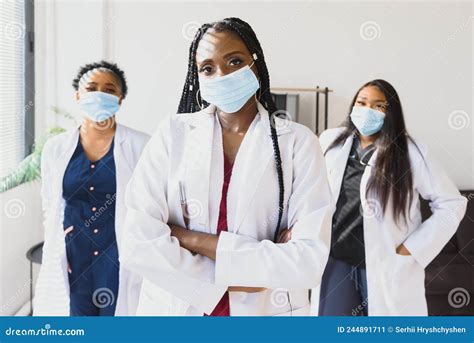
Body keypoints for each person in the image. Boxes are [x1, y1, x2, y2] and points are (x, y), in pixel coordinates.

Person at [118, 18, 333, 316]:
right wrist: (240, 279)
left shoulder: (298, 143)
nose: (222, 74)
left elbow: (307, 262)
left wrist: (186, 237)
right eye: (208, 68)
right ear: (198, 77)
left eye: (234, 61)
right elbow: (138, 242)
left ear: (255, 65)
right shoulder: (172, 134)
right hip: (179, 309)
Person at [316, 79, 467, 316]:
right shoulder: (330, 142)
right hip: (336, 259)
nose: (367, 110)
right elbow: (311, 193)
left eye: (378, 106)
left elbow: (452, 204)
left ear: (390, 112)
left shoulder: (411, 153)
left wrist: (412, 248)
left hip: (385, 261)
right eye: (361, 102)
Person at [34, 61, 150, 316]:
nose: (100, 94)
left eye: (109, 90)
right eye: (92, 88)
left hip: (119, 252)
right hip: (73, 254)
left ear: (120, 99)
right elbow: (49, 203)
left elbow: (152, 204)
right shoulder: (56, 148)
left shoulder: (141, 145)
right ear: (78, 95)